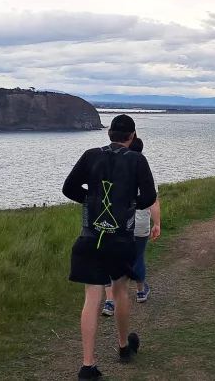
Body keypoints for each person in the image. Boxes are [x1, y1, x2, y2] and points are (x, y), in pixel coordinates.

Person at [62, 114, 158, 380]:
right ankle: (124, 347)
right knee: (121, 291)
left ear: (109, 134)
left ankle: (88, 365)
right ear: (132, 136)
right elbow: (149, 197)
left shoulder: (90, 155)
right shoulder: (138, 159)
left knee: (92, 296)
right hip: (120, 239)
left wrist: (91, 200)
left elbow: (68, 188)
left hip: (90, 236)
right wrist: (125, 205)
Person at [101, 137, 161, 317]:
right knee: (138, 257)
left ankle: (110, 302)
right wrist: (157, 223)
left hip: (114, 223)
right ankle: (141, 291)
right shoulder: (146, 172)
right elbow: (153, 201)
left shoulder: (113, 170)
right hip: (140, 224)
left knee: (110, 260)